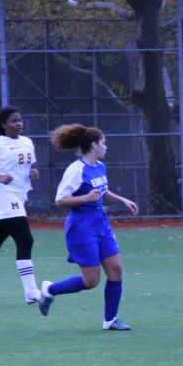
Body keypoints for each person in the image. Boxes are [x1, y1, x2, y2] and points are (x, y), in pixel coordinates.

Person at [37, 124, 140, 330]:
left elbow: (102, 192)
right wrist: (85, 197)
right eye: (104, 143)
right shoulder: (76, 170)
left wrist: (123, 200)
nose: (106, 147)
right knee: (91, 280)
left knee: (116, 270)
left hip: (100, 222)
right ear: (94, 144)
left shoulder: (100, 167)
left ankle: (110, 320)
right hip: (82, 226)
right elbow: (60, 200)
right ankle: (50, 290)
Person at [0, 106, 42, 304]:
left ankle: (30, 292)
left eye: (20, 120)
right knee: (25, 240)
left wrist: (33, 172)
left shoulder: (26, 142)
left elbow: (28, 165)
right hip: (2, 195)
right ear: (3, 124)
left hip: (19, 195)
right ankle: (31, 291)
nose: (19, 124)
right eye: (14, 121)